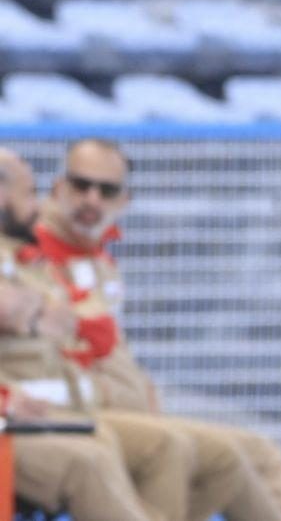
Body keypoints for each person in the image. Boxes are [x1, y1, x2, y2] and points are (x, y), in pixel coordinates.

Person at [33, 138, 281, 521]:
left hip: (130, 412)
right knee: (192, 453)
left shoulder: (98, 259)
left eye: (107, 190)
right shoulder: (32, 255)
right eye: (80, 185)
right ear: (57, 188)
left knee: (258, 451)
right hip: (84, 414)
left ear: (125, 201)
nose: (92, 199)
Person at [0, 147, 191, 521]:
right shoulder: (37, 249)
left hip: (42, 409)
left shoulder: (30, 253)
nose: (38, 207)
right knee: (91, 459)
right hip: (26, 419)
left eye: (106, 190)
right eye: (29, 194)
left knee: (172, 447)